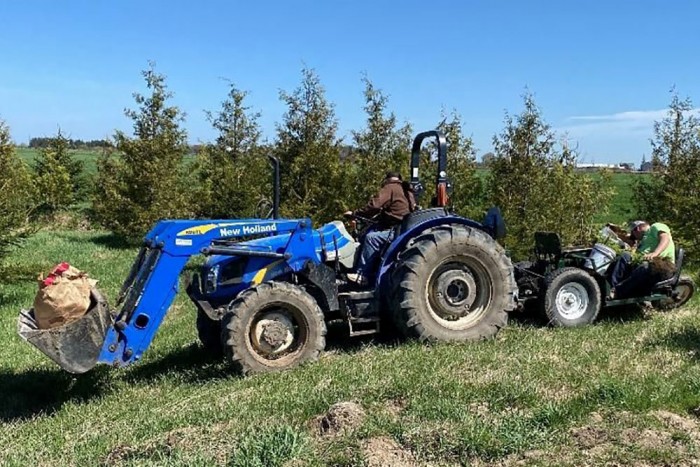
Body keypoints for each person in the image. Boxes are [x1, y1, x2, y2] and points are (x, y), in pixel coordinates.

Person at [344, 171, 416, 286]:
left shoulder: (390, 188)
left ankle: (362, 275)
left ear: (387, 179)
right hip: (404, 229)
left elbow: (374, 206)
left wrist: (355, 213)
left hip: (396, 231)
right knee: (371, 230)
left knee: (370, 238)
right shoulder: (405, 190)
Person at [610, 220, 675, 298]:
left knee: (645, 266)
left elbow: (665, 238)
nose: (634, 237)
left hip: (663, 264)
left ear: (637, 229)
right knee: (625, 255)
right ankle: (611, 287)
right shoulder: (643, 240)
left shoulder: (655, 227)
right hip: (645, 264)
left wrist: (655, 253)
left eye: (633, 234)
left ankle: (618, 291)